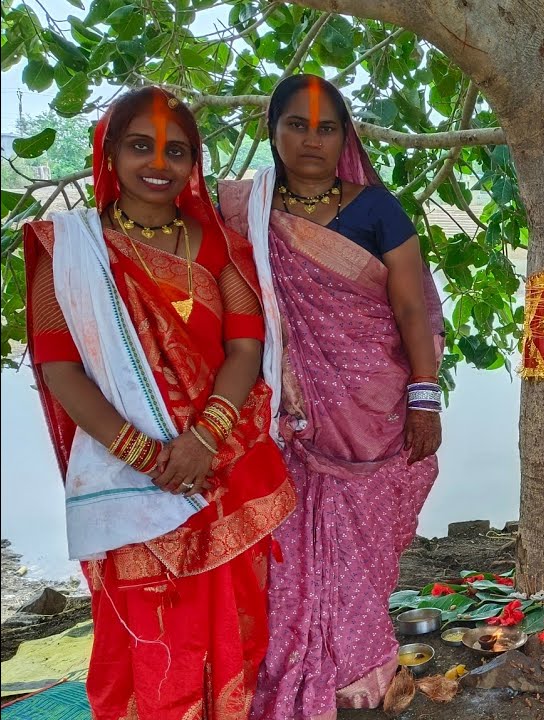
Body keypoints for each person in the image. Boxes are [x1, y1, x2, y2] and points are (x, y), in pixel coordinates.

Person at [21, 86, 295, 717]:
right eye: (140, 145)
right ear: (110, 152)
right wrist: (145, 454)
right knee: (150, 623)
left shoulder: (219, 246)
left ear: (192, 162)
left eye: (176, 150)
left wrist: (202, 441)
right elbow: (60, 368)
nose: (158, 163)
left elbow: (246, 347)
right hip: (130, 470)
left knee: (233, 618)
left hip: (221, 462)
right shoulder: (70, 251)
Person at [217, 74, 446, 718]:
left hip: (373, 409)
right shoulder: (249, 212)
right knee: (288, 546)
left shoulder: (377, 209)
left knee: (365, 545)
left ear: (344, 137)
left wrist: (424, 399)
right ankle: (292, 664)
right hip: (287, 415)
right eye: (297, 124)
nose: (311, 139)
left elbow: (409, 307)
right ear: (274, 131)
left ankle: (357, 667)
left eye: (326, 127)